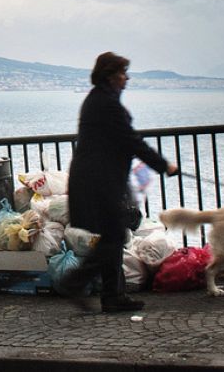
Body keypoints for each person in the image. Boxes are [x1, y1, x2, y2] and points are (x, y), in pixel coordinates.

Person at [64, 52, 178, 313]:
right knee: (114, 236)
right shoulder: (107, 104)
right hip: (100, 181)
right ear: (111, 76)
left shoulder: (98, 100)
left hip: (97, 179)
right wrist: (164, 165)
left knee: (112, 236)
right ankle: (79, 282)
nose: (127, 78)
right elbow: (131, 140)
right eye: (123, 73)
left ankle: (112, 295)